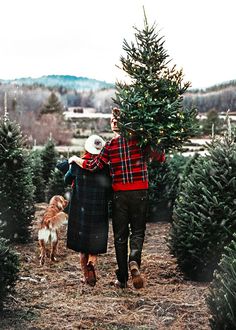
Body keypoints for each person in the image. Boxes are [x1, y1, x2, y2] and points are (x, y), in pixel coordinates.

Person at [69, 108, 165, 289]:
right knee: (137, 231)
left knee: (120, 236)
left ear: (121, 123)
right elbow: (160, 157)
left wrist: (75, 159)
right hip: (140, 193)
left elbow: (93, 165)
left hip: (120, 195)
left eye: (115, 119)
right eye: (112, 119)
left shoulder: (110, 146)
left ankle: (122, 278)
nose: (113, 122)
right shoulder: (140, 141)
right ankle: (134, 260)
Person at [65, 134, 111, 287]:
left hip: (81, 207)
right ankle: (92, 261)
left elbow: (66, 179)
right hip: (98, 207)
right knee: (95, 240)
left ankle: (86, 275)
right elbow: (110, 188)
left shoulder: (77, 165)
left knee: (82, 244)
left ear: (86, 148)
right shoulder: (105, 168)